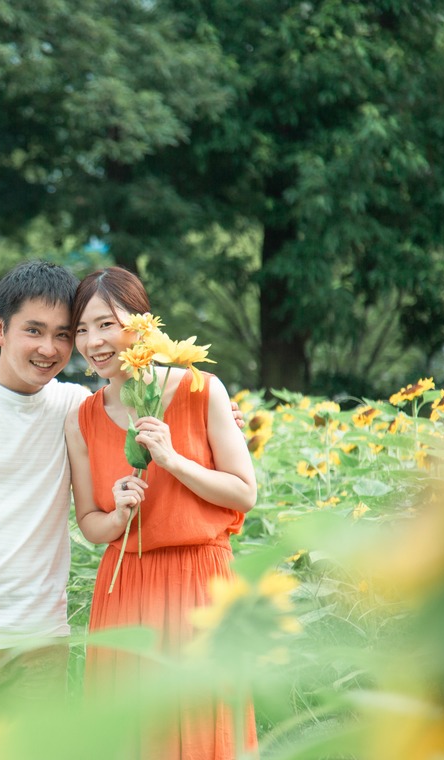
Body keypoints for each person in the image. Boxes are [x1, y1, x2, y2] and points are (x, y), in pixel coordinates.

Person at [0, 260, 245, 711]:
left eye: (62, 334)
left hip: (39, 637)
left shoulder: (74, 406)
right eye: (33, 331)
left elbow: (136, 412)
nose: (50, 348)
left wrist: (222, 419)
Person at [65, 266, 257, 758]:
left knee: (200, 729)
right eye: (82, 329)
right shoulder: (81, 418)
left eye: (106, 324)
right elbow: (90, 522)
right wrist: (119, 515)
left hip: (201, 583)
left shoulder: (203, 389)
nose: (93, 341)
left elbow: (243, 493)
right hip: (124, 588)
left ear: (142, 323)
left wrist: (172, 461)